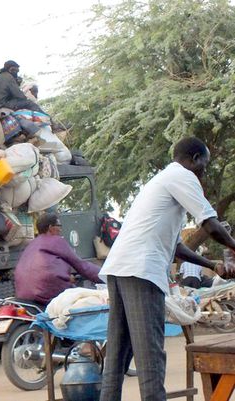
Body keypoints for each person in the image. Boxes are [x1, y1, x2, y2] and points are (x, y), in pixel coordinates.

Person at [99, 137, 235, 401]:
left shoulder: (161, 181)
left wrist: (212, 265)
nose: (203, 173)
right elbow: (210, 224)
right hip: (141, 270)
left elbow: (176, 247)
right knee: (150, 356)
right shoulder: (182, 176)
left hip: (121, 268)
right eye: (203, 166)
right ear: (195, 159)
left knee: (117, 356)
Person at [14, 213, 102, 305]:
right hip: (47, 296)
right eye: (59, 226)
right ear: (50, 227)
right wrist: (106, 276)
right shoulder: (56, 241)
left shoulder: (31, 244)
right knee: (90, 301)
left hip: (23, 297)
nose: (60, 229)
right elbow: (83, 267)